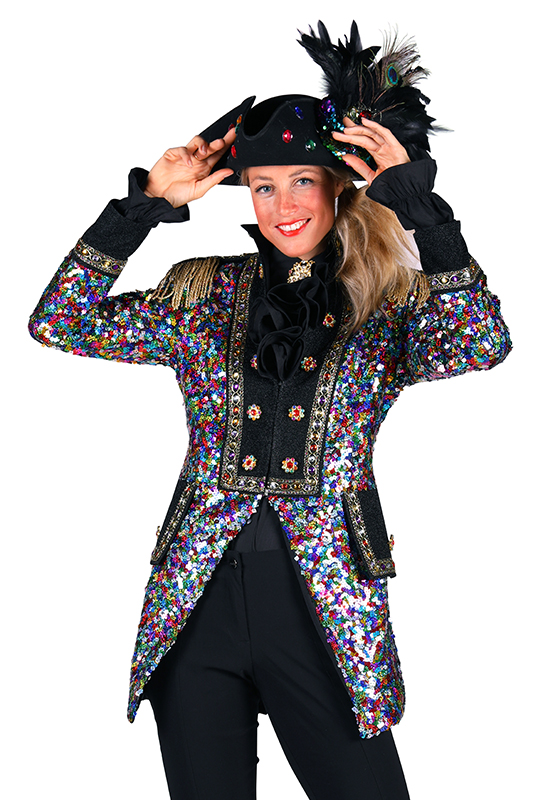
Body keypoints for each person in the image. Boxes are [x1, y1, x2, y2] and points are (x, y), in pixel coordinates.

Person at [28, 20, 511, 800]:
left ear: (339, 186)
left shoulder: (387, 303)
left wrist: (419, 208)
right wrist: (143, 205)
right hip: (196, 603)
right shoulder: (203, 291)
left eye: (301, 181)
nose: (282, 205)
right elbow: (60, 322)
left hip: (326, 606)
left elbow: (479, 345)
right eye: (262, 186)